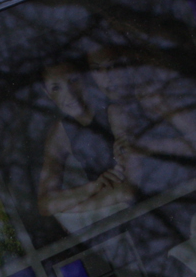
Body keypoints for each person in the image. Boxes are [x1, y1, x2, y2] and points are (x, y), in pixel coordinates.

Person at [35, 60, 138, 234]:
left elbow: (128, 190)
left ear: (85, 78)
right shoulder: (61, 131)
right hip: (111, 223)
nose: (69, 94)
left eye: (73, 80)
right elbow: (46, 204)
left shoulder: (112, 110)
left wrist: (71, 208)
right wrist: (92, 187)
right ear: (47, 93)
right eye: (56, 88)